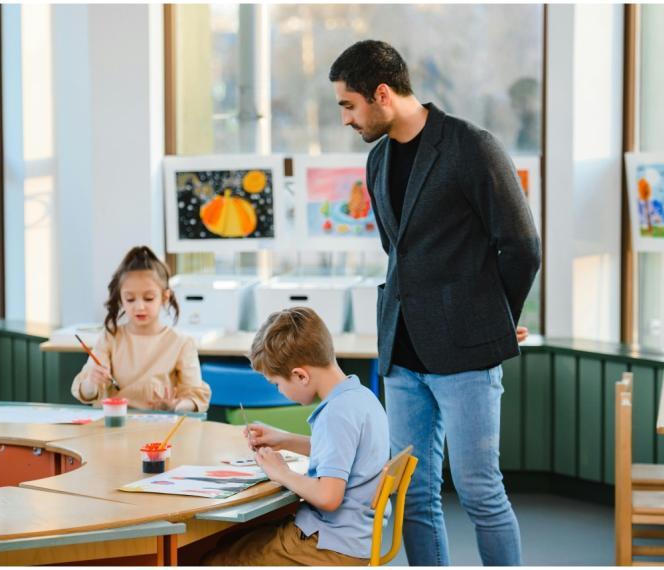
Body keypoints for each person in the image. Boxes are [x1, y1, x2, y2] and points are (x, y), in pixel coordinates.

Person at [330, 40, 541, 566]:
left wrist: (498, 320)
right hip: (401, 354)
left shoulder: (472, 146)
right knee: (414, 495)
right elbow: (396, 252)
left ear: (382, 94)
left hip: (467, 352)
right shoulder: (376, 160)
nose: (346, 120)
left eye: (349, 105)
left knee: (480, 493)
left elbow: (522, 247)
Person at [202, 307, 389, 566]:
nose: (279, 391)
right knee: (236, 540)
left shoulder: (335, 414)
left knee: (217, 557)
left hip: (327, 546)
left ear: (300, 375)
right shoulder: (361, 397)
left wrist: (282, 473)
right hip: (353, 538)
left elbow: (328, 497)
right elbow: (343, 454)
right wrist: (284, 439)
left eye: (277, 384)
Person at [71, 245, 211, 412]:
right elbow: (87, 395)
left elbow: (196, 397)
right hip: (114, 425)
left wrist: (174, 407)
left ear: (165, 297)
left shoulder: (181, 343)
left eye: (149, 298)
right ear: (121, 299)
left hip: (160, 429)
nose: (139, 307)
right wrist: (91, 382)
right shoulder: (110, 336)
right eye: (130, 299)